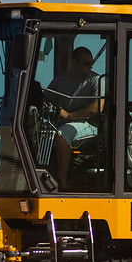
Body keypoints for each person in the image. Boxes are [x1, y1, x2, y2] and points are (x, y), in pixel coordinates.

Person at [44, 46, 104, 187]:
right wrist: (47, 106)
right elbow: (46, 98)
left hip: (88, 124)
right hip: (63, 121)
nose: (90, 66)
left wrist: (69, 115)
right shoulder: (60, 80)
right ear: (74, 63)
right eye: (86, 64)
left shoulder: (96, 80)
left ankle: (61, 180)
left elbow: (96, 108)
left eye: (91, 63)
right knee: (36, 132)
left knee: (61, 134)